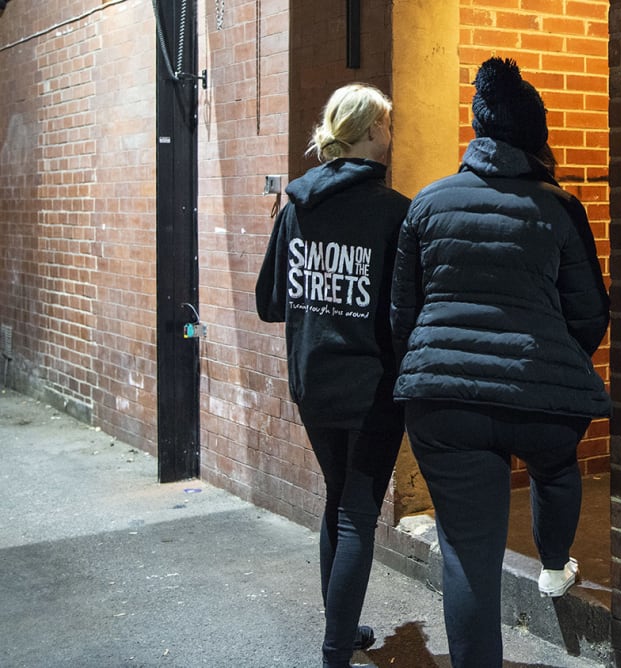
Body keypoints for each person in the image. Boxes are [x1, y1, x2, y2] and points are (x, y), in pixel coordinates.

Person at [390, 57, 610, 667]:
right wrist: (555, 361)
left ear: (478, 131)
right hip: (537, 394)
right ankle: (552, 565)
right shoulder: (560, 208)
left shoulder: (428, 204)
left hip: (443, 404)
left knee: (467, 551)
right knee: (557, 466)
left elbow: (401, 314)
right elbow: (590, 311)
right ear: (535, 135)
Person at [255, 82, 408, 668]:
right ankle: (335, 650)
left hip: (312, 385)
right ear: (369, 132)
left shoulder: (297, 208)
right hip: (371, 391)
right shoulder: (395, 212)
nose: (392, 137)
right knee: (356, 513)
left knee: (337, 501)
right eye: (388, 127)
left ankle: (341, 631)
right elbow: (403, 312)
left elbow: (271, 302)